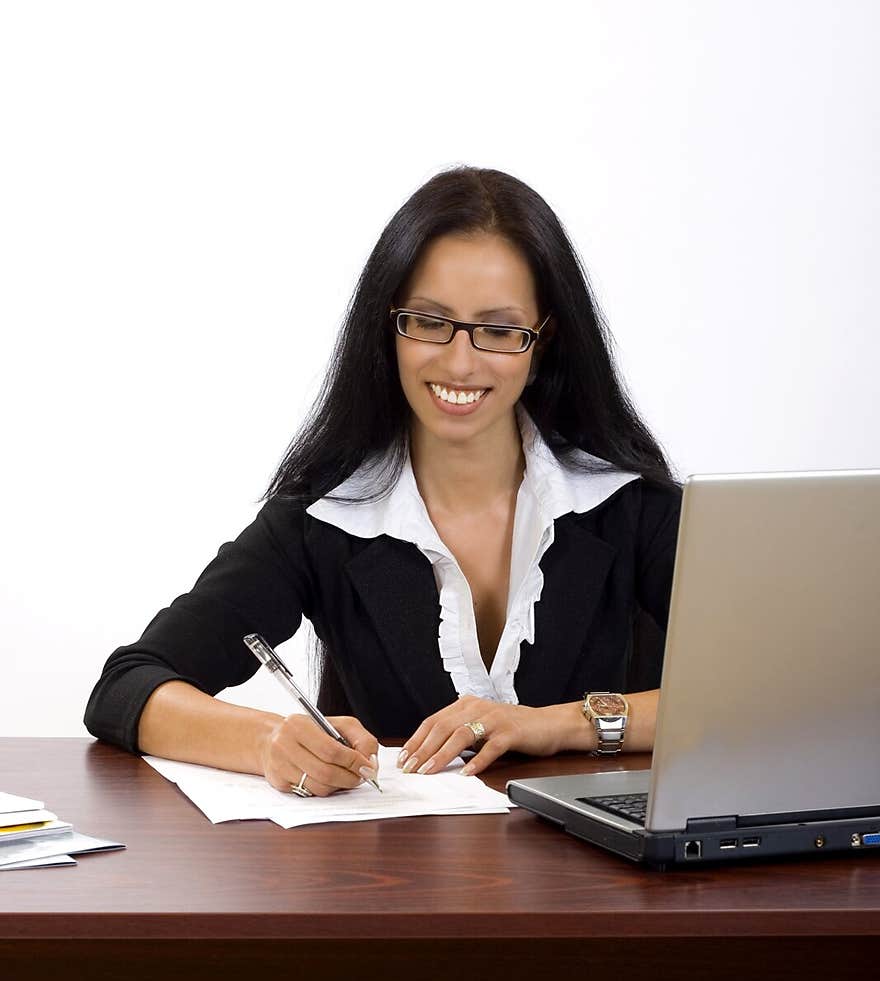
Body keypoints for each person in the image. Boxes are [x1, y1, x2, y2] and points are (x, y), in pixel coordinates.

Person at [85, 166, 681, 798]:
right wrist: (269, 741)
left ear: (543, 343)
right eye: (428, 321)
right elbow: (127, 687)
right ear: (388, 324)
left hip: (601, 884)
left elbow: (774, 692)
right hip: (391, 881)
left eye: (500, 330)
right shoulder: (327, 516)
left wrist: (558, 725)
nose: (459, 361)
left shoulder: (629, 503)